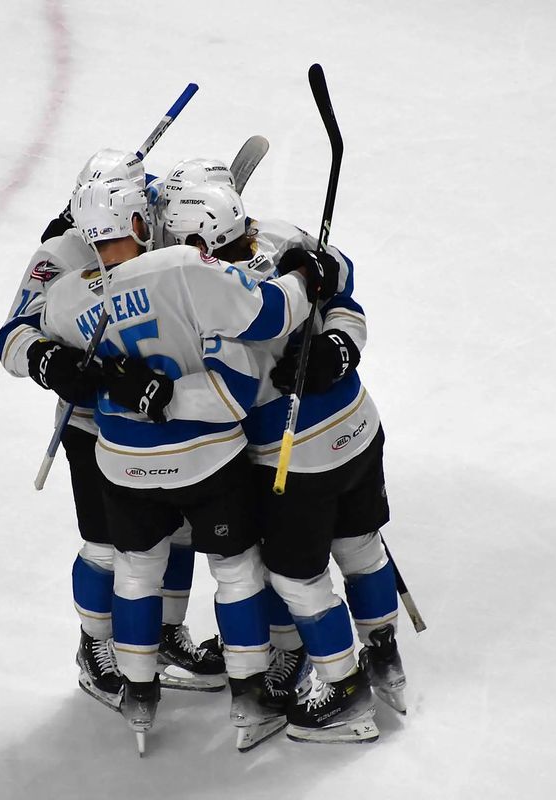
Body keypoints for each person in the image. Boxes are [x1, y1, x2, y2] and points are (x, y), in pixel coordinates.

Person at [38, 176, 337, 753]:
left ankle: (138, 698)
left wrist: (66, 366)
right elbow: (269, 316)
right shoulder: (183, 266)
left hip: (121, 462)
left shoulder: (69, 293)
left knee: (131, 567)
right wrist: (306, 274)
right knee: (237, 570)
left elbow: (27, 332)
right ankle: (251, 701)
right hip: (207, 460)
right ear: (138, 225)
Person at [162, 180, 407, 745]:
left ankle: (344, 689)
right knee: (361, 546)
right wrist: (340, 345)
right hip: (360, 428)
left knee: (295, 577)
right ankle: (385, 656)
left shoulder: (210, 298)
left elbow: (231, 397)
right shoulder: (284, 236)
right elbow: (342, 284)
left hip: (298, 461)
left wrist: (141, 394)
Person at [0, 150, 224, 711]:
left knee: (176, 534)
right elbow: (14, 336)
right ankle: (94, 648)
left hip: (161, 423)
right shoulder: (58, 255)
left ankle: (165, 634)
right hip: (91, 427)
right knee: (104, 545)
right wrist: (52, 362)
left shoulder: (162, 241)